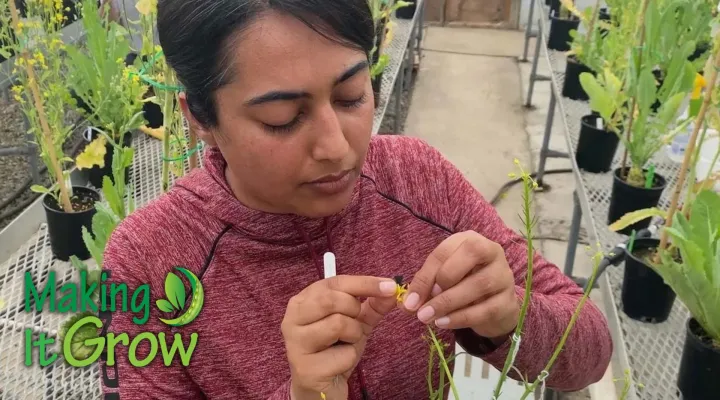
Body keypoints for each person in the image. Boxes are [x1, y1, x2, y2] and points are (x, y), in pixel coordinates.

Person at [99, 0, 613, 399]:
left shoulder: (417, 180)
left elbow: (590, 351)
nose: (337, 147)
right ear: (200, 120)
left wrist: (512, 318)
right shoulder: (150, 260)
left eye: (351, 96)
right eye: (282, 118)